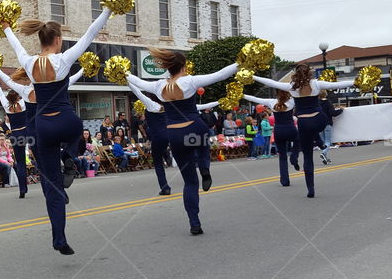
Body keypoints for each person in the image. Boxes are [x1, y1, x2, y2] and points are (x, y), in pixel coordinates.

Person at [2, 3, 112, 255]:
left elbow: (16, 46)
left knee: (51, 186)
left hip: (42, 125)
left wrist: (7, 28)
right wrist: (106, 10)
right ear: (58, 40)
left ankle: (59, 239)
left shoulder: (29, 62)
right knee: (80, 135)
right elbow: (90, 34)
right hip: (65, 120)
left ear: (40, 39)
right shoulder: (63, 59)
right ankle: (70, 160)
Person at [127, 49, 238, 235]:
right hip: (195, 127)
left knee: (190, 183)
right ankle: (205, 168)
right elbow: (220, 75)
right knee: (202, 144)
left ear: (169, 68)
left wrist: (124, 72)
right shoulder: (190, 81)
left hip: (175, 135)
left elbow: (137, 82)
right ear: (183, 66)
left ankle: (194, 223)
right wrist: (241, 63)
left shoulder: (158, 86)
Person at [253, 64, 355, 198]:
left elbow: (271, 82)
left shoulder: (291, 86)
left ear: (295, 73)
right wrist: (356, 82)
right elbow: (335, 85)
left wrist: (253, 76)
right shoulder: (316, 84)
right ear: (309, 73)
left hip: (303, 123)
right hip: (319, 120)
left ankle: (310, 189)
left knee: (307, 157)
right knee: (321, 121)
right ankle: (319, 142)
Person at [244, 92, 300, 186]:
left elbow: (255, 98)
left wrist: (243, 95)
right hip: (290, 128)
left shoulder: (271, 102)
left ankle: (285, 180)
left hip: (279, 130)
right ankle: (294, 157)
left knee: (282, 156)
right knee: (298, 140)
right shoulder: (292, 101)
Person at [128, 83, 172, 195]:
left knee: (158, 163)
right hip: (169, 134)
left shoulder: (152, 105)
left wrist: (127, 81)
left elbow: (137, 92)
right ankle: (167, 154)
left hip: (157, 136)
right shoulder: (166, 104)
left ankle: (165, 187)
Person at [0, 81, 29, 197]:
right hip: (26, 132)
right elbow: (27, 91)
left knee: (20, 163)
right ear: (18, 97)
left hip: (14, 135)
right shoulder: (22, 104)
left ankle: (22, 190)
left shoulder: (6, 106)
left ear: (8, 99)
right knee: (37, 158)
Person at [318, 90, 343, 164]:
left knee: (323, 142)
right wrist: (341, 110)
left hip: (319, 124)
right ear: (326, 95)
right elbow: (333, 113)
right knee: (328, 141)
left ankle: (325, 158)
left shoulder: (316, 103)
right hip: (327, 123)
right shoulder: (328, 103)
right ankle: (323, 153)